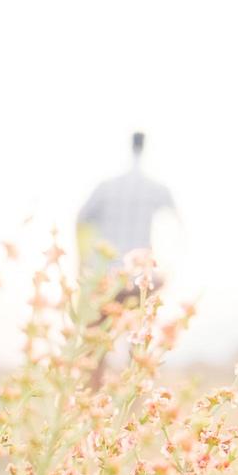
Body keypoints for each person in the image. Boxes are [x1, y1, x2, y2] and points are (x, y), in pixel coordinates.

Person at [77, 132, 177, 386]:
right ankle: (130, 413)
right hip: (140, 280)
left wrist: (83, 263)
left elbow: (80, 220)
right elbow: (179, 226)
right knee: (138, 349)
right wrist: (167, 272)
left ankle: (91, 408)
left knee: (95, 351)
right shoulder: (156, 188)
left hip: (104, 278)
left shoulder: (106, 187)